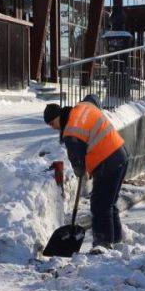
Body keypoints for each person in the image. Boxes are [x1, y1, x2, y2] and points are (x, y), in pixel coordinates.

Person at [44, 96, 128, 253]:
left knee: (99, 204)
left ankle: (103, 244)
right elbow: (93, 99)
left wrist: (79, 171)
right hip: (121, 154)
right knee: (109, 203)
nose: (53, 128)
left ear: (58, 117)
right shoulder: (81, 108)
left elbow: (76, 158)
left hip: (106, 161)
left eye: (52, 123)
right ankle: (116, 240)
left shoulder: (71, 129)